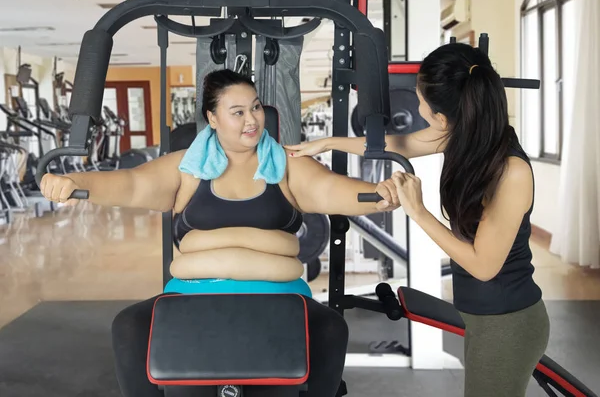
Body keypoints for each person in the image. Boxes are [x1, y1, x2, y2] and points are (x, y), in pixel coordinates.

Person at [40, 69, 400, 397]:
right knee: (130, 326)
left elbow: (330, 189)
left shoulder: (288, 165)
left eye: (256, 107)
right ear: (212, 118)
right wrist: (74, 181)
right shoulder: (187, 170)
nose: (252, 119)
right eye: (238, 111)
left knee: (331, 330)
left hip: (279, 295)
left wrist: (377, 197)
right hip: (193, 294)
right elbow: (132, 183)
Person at [287, 43, 550, 397]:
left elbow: (484, 266)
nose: (417, 107)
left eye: (420, 100)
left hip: (507, 321)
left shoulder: (511, 172)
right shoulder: (467, 134)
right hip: (480, 314)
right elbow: (402, 143)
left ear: (443, 118)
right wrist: (326, 143)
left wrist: (418, 210)